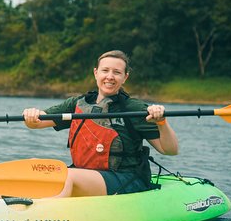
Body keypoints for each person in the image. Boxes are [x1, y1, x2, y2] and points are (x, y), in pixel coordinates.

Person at [14, 50, 178, 198]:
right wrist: (32, 115)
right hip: (85, 174)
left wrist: (162, 122)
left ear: (125, 77)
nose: (110, 76)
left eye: (117, 72)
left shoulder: (134, 108)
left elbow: (170, 150)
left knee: (68, 176)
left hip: (126, 178)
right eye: (105, 70)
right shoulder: (78, 103)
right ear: (96, 73)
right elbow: (37, 123)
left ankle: (43, 218)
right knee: (35, 167)